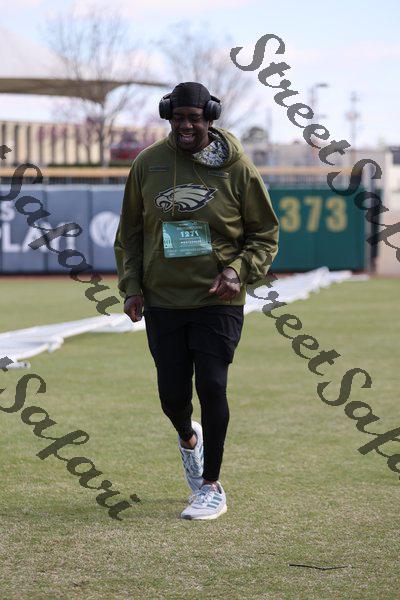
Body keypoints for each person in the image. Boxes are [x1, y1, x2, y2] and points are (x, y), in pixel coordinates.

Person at [114, 82, 279, 520]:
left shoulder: (236, 166)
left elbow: (265, 233)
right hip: (164, 298)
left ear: (210, 117)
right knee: (172, 397)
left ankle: (210, 485)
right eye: (178, 118)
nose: (185, 126)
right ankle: (189, 438)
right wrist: (131, 286)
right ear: (168, 115)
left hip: (218, 298)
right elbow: (129, 233)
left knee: (212, 384)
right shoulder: (148, 163)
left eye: (194, 118)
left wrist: (237, 271)